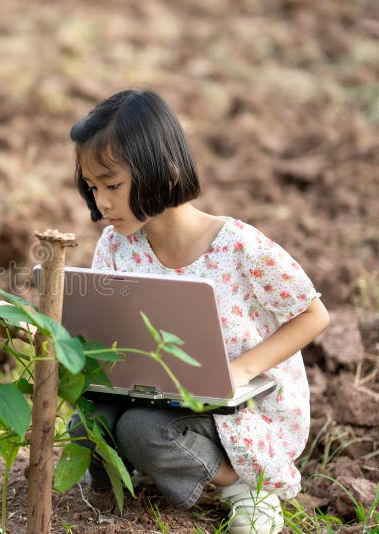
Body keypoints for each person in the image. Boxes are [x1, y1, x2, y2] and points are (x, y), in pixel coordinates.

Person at [66, 89, 330, 534]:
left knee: (145, 432)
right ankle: (144, 474)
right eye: (93, 188)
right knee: (85, 422)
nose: (103, 203)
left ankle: (244, 484)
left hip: (239, 406)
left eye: (113, 185)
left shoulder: (238, 246)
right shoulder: (116, 244)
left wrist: (242, 368)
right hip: (151, 389)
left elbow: (313, 315)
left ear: (165, 174)